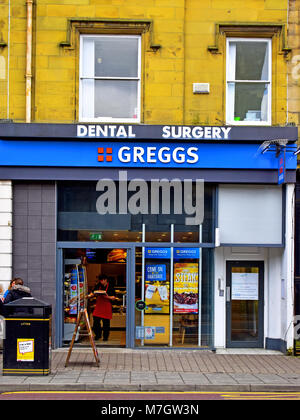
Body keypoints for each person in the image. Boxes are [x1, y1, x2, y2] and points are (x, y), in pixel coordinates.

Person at [92, 274, 116, 341]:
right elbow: (93, 292)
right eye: (100, 280)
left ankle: (105, 337)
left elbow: (114, 297)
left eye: (102, 280)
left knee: (106, 323)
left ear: (105, 280)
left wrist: (108, 297)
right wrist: (91, 295)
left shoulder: (111, 286)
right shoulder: (98, 285)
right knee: (96, 322)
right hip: (99, 306)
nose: (101, 282)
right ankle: (97, 335)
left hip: (106, 305)